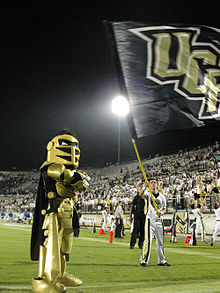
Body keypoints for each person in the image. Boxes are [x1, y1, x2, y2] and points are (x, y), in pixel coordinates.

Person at [31, 131, 89, 293]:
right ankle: (47, 279)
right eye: (66, 145)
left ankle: (60, 274)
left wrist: (78, 179)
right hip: (54, 211)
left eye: (73, 146)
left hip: (68, 211)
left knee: (64, 247)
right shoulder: (49, 166)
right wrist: (76, 178)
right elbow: (64, 175)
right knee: (51, 245)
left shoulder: (69, 170)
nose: (71, 149)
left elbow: (81, 185)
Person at [139, 179, 171, 267]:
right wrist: (144, 186)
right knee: (148, 240)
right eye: (151, 182)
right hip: (150, 219)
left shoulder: (162, 197)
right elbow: (140, 195)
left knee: (160, 241)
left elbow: (164, 208)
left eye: (154, 182)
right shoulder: (148, 194)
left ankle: (161, 260)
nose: (153, 184)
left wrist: (162, 213)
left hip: (159, 220)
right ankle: (143, 260)